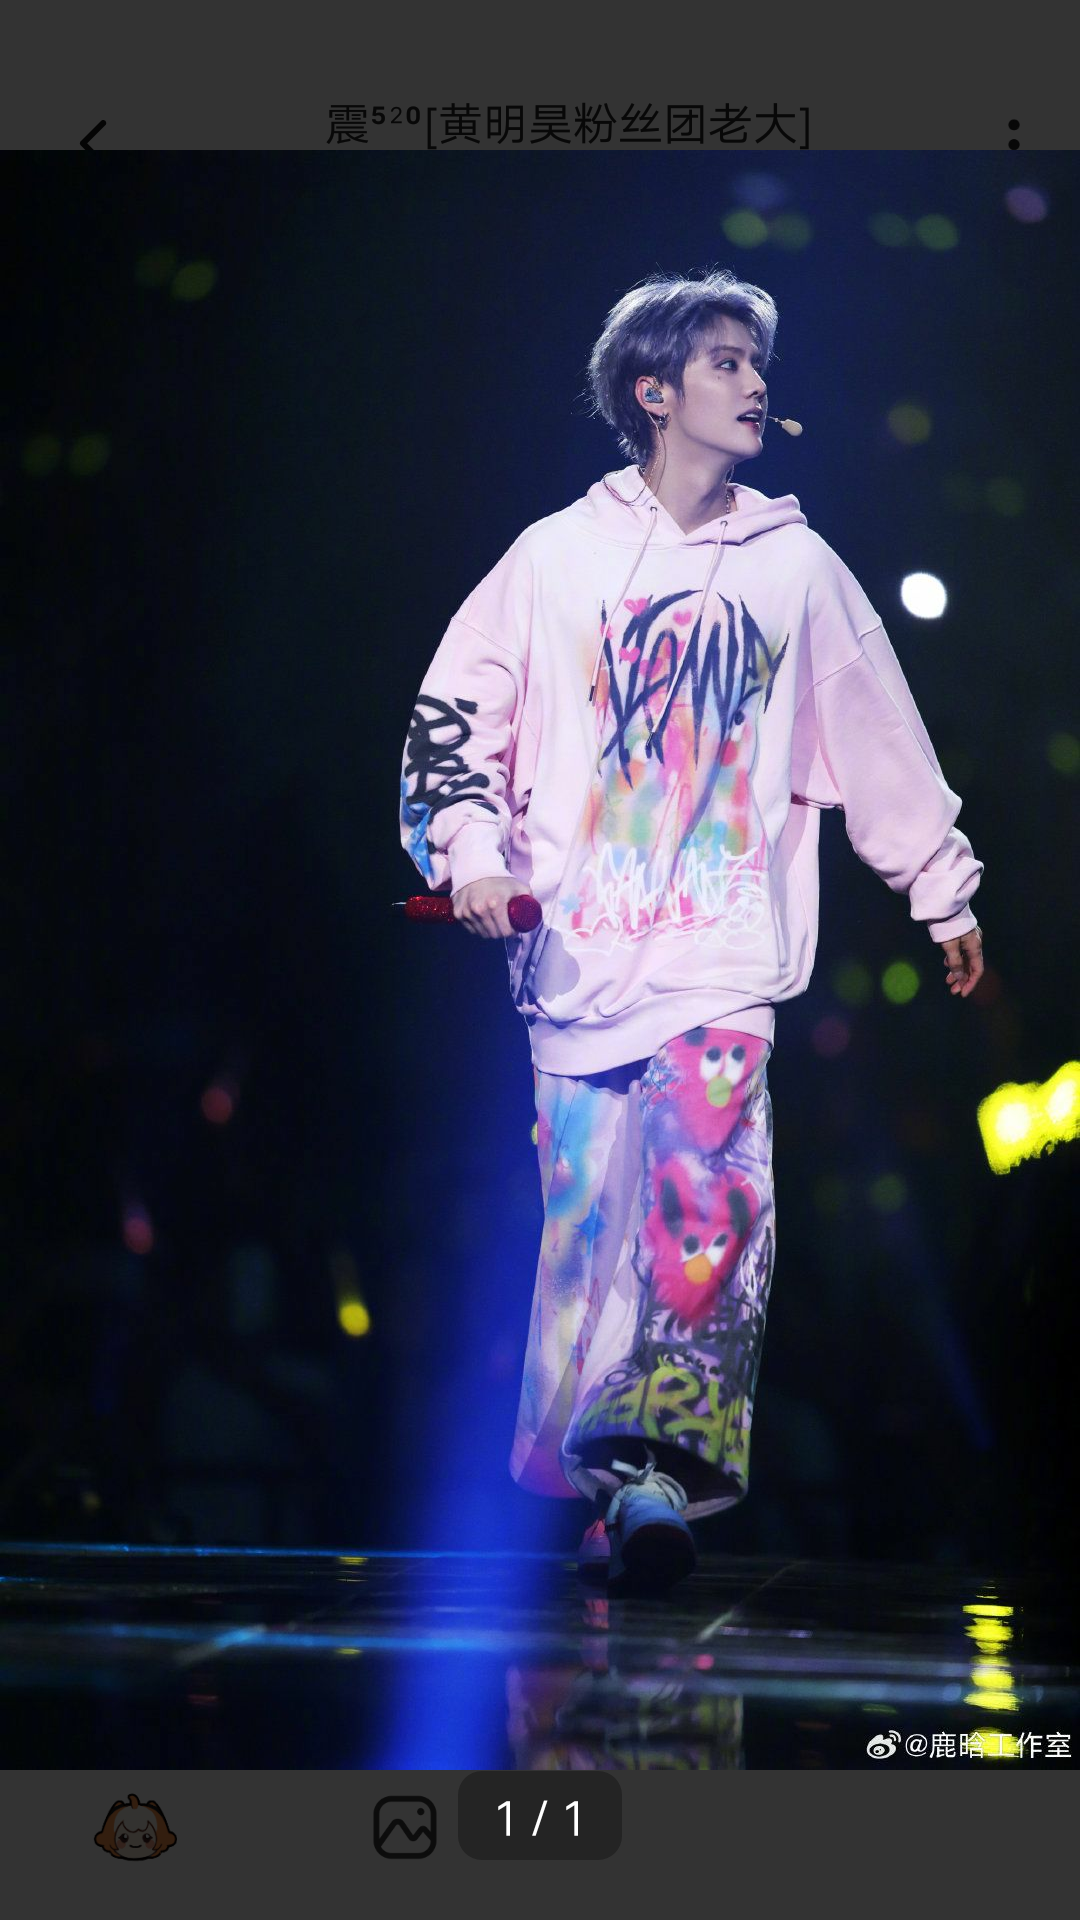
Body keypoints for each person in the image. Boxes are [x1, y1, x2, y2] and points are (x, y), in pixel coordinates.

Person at [398, 268, 985, 1595]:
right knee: (592, 1235)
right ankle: (616, 1491)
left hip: (721, 957)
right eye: (725, 362)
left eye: (758, 364)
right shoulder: (553, 558)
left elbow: (876, 730)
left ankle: (658, 1466)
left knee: (710, 1203)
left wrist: (938, 884)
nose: (755, 383)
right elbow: (451, 719)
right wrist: (471, 854)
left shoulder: (797, 569)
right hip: (579, 960)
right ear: (652, 391)